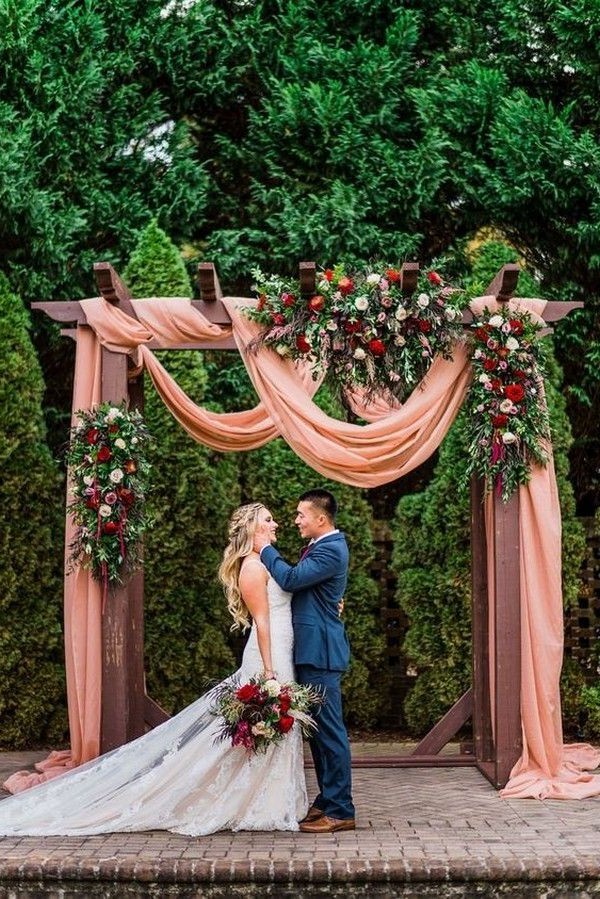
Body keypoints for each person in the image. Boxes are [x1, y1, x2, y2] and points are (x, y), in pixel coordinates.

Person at [0, 503, 308, 836]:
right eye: (268, 520)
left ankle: (270, 799)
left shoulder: (268, 562)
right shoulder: (252, 567)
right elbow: (261, 621)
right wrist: (268, 670)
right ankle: (249, 800)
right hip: (268, 657)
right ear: (252, 528)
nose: (276, 524)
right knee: (258, 728)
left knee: (270, 729)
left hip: (281, 651)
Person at [255, 488, 355, 833]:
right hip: (312, 650)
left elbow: (292, 579)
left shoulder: (331, 549)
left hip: (321, 652)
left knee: (330, 732)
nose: (296, 520)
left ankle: (341, 809)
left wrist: (265, 549)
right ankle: (328, 801)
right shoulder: (322, 548)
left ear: (320, 518)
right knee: (318, 732)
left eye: (301, 515)